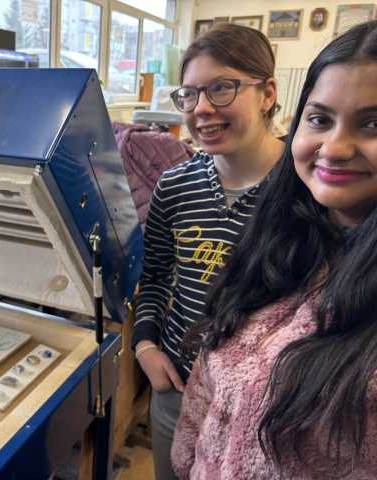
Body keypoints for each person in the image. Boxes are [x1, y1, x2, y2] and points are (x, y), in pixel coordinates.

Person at [172, 20, 377, 479]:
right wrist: (148, 344)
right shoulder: (283, 232)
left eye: (373, 123)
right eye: (320, 119)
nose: (335, 148)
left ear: (268, 95)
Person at [132, 24, 285, 480]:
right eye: (190, 94)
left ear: (267, 94)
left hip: (261, 410)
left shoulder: (303, 192)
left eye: (221, 88)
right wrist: (145, 346)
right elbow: (154, 276)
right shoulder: (175, 185)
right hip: (176, 388)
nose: (201, 109)